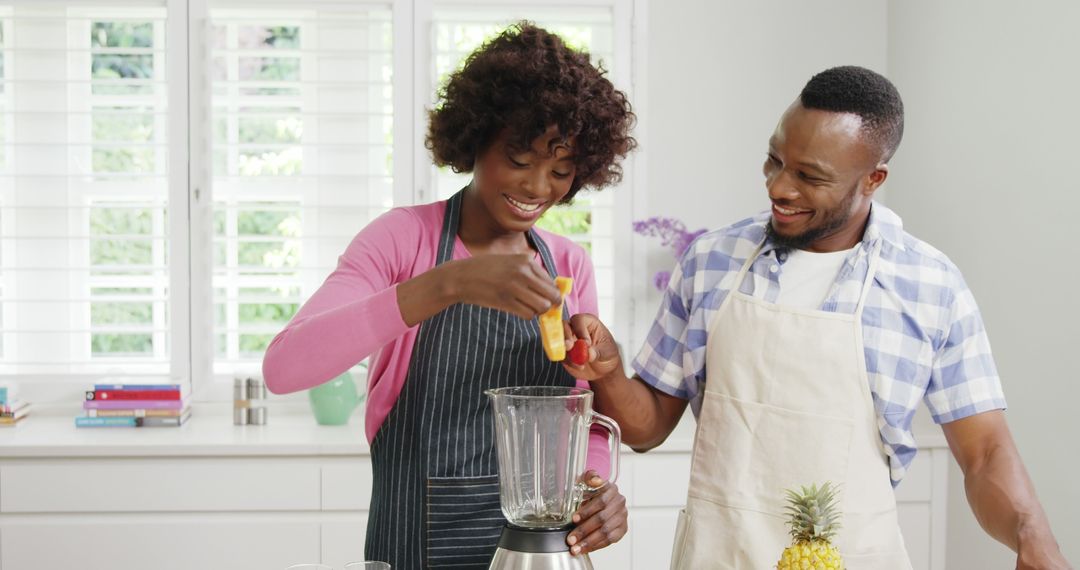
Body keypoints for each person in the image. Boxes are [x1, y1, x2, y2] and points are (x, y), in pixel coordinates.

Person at [564, 66, 1071, 569]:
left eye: (810, 176)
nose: (779, 188)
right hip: (718, 558)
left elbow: (984, 453)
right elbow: (647, 428)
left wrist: (1031, 535)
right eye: (774, 160)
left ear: (873, 179)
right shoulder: (710, 261)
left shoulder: (930, 285)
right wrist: (609, 370)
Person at [262, 22, 636, 569]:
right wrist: (448, 283)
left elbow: (578, 414)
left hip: (539, 553)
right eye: (519, 159)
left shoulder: (568, 263)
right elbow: (284, 367)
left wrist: (592, 485)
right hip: (414, 545)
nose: (537, 188)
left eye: (560, 170)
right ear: (475, 138)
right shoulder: (401, 239)